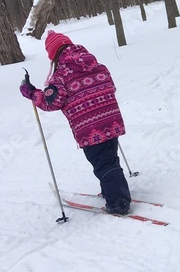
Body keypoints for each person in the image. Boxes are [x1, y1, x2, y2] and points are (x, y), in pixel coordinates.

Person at [21, 31, 131, 215]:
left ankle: (119, 202)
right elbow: (112, 87)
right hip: (111, 120)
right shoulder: (98, 66)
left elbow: (51, 102)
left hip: (89, 127)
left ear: (53, 54)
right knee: (108, 158)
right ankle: (109, 189)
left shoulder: (61, 76)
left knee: (103, 163)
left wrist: (32, 93)